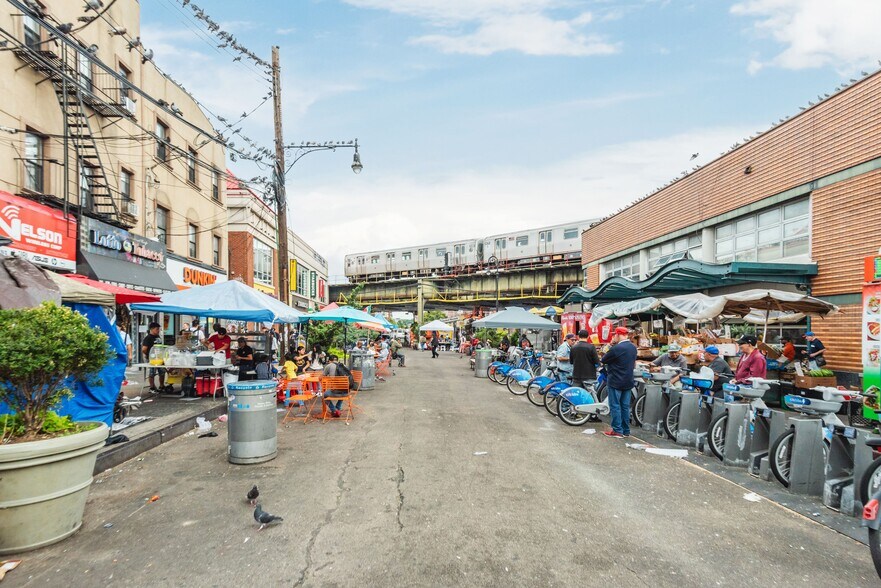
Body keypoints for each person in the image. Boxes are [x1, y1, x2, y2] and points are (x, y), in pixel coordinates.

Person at [600, 327, 637, 438]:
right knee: (625, 406)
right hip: (628, 380)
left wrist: (610, 345)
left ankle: (617, 430)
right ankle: (626, 430)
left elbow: (604, 359)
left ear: (618, 335)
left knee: (615, 405)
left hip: (616, 380)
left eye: (615, 335)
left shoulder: (617, 348)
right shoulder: (633, 347)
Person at [142, 322, 165, 392]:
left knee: (162, 372)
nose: (158, 331)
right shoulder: (148, 338)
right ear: (152, 329)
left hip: (160, 358)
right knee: (152, 372)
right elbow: (144, 349)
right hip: (152, 359)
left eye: (159, 329)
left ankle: (161, 385)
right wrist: (149, 355)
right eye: (157, 329)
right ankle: (152, 387)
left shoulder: (158, 337)